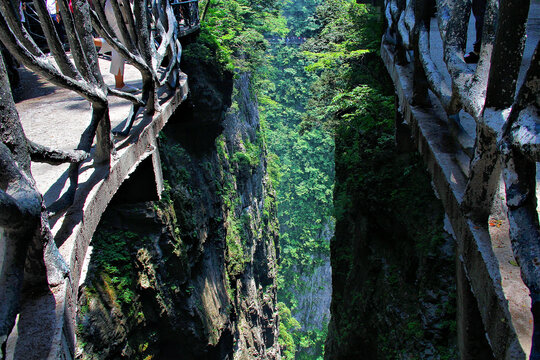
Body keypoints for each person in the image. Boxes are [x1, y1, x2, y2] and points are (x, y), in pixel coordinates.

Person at [94, 0, 138, 92]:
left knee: (118, 44)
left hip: (115, 5)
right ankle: (119, 84)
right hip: (118, 5)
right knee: (119, 46)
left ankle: (93, 41)